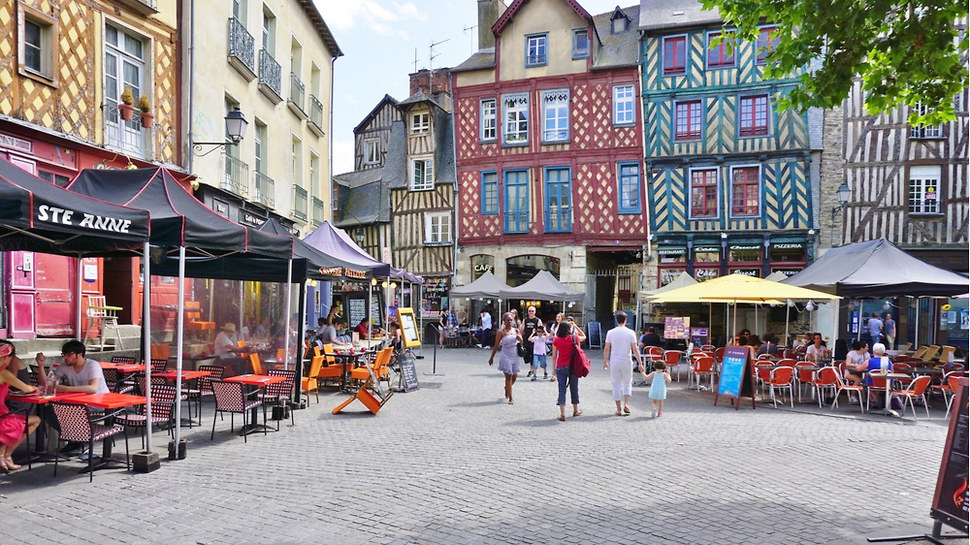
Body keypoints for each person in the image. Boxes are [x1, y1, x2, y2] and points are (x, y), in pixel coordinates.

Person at [0, 341, 40, 471]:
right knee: (36, 420)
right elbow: (27, 389)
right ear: (6, 357)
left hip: (3, 413)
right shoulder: (4, 373)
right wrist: (34, 388)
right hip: (2, 416)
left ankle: (3, 454)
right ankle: (6, 454)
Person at [603, 311, 644, 416]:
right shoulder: (631, 333)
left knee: (616, 384)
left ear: (616, 320)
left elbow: (607, 348)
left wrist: (605, 362)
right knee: (627, 382)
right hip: (627, 360)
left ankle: (618, 408)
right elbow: (635, 349)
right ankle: (626, 403)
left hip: (615, 361)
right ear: (626, 320)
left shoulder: (610, 332)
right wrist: (640, 362)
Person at [37, 340, 110, 395]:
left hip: (100, 401)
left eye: (69, 354)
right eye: (64, 354)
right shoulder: (65, 365)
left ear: (79, 355)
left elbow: (93, 388)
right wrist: (41, 365)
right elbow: (46, 384)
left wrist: (66, 389)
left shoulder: (93, 365)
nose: (65, 357)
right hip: (80, 401)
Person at [551, 320, 587, 421]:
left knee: (562, 389)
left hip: (561, 367)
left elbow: (554, 356)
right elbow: (584, 336)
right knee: (574, 388)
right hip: (573, 367)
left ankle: (562, 413)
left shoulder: (557, 340)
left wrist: (554, 368)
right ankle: (576, 410)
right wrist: (576, 326)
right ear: (569, 329)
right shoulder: (574, 338)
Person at [488, 313, 522, 405]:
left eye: (511, 320)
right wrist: (492, 357)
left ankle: (507, 387)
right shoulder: (501, 332)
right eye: (508, 320)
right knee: (508, 376)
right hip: (505, 355)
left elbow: (521, 342)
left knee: (515, 376)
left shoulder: (516, 330)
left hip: (514, 355)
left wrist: (520, 338)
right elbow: (496, 345)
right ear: (504, 321)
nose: (510, 321)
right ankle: (511, 398)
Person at [521, 306, 540, 375]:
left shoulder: (537, 320)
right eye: (529, 311)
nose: (531, 312)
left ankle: (532, 370)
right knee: (526, 355)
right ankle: (531, 368)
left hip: (534, 340)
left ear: (535, 312)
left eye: (532, 311)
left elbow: (540, 330)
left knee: (533, 355)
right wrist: (521, 338)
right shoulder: (525, 320)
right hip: (526, 339)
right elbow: (522, 330)